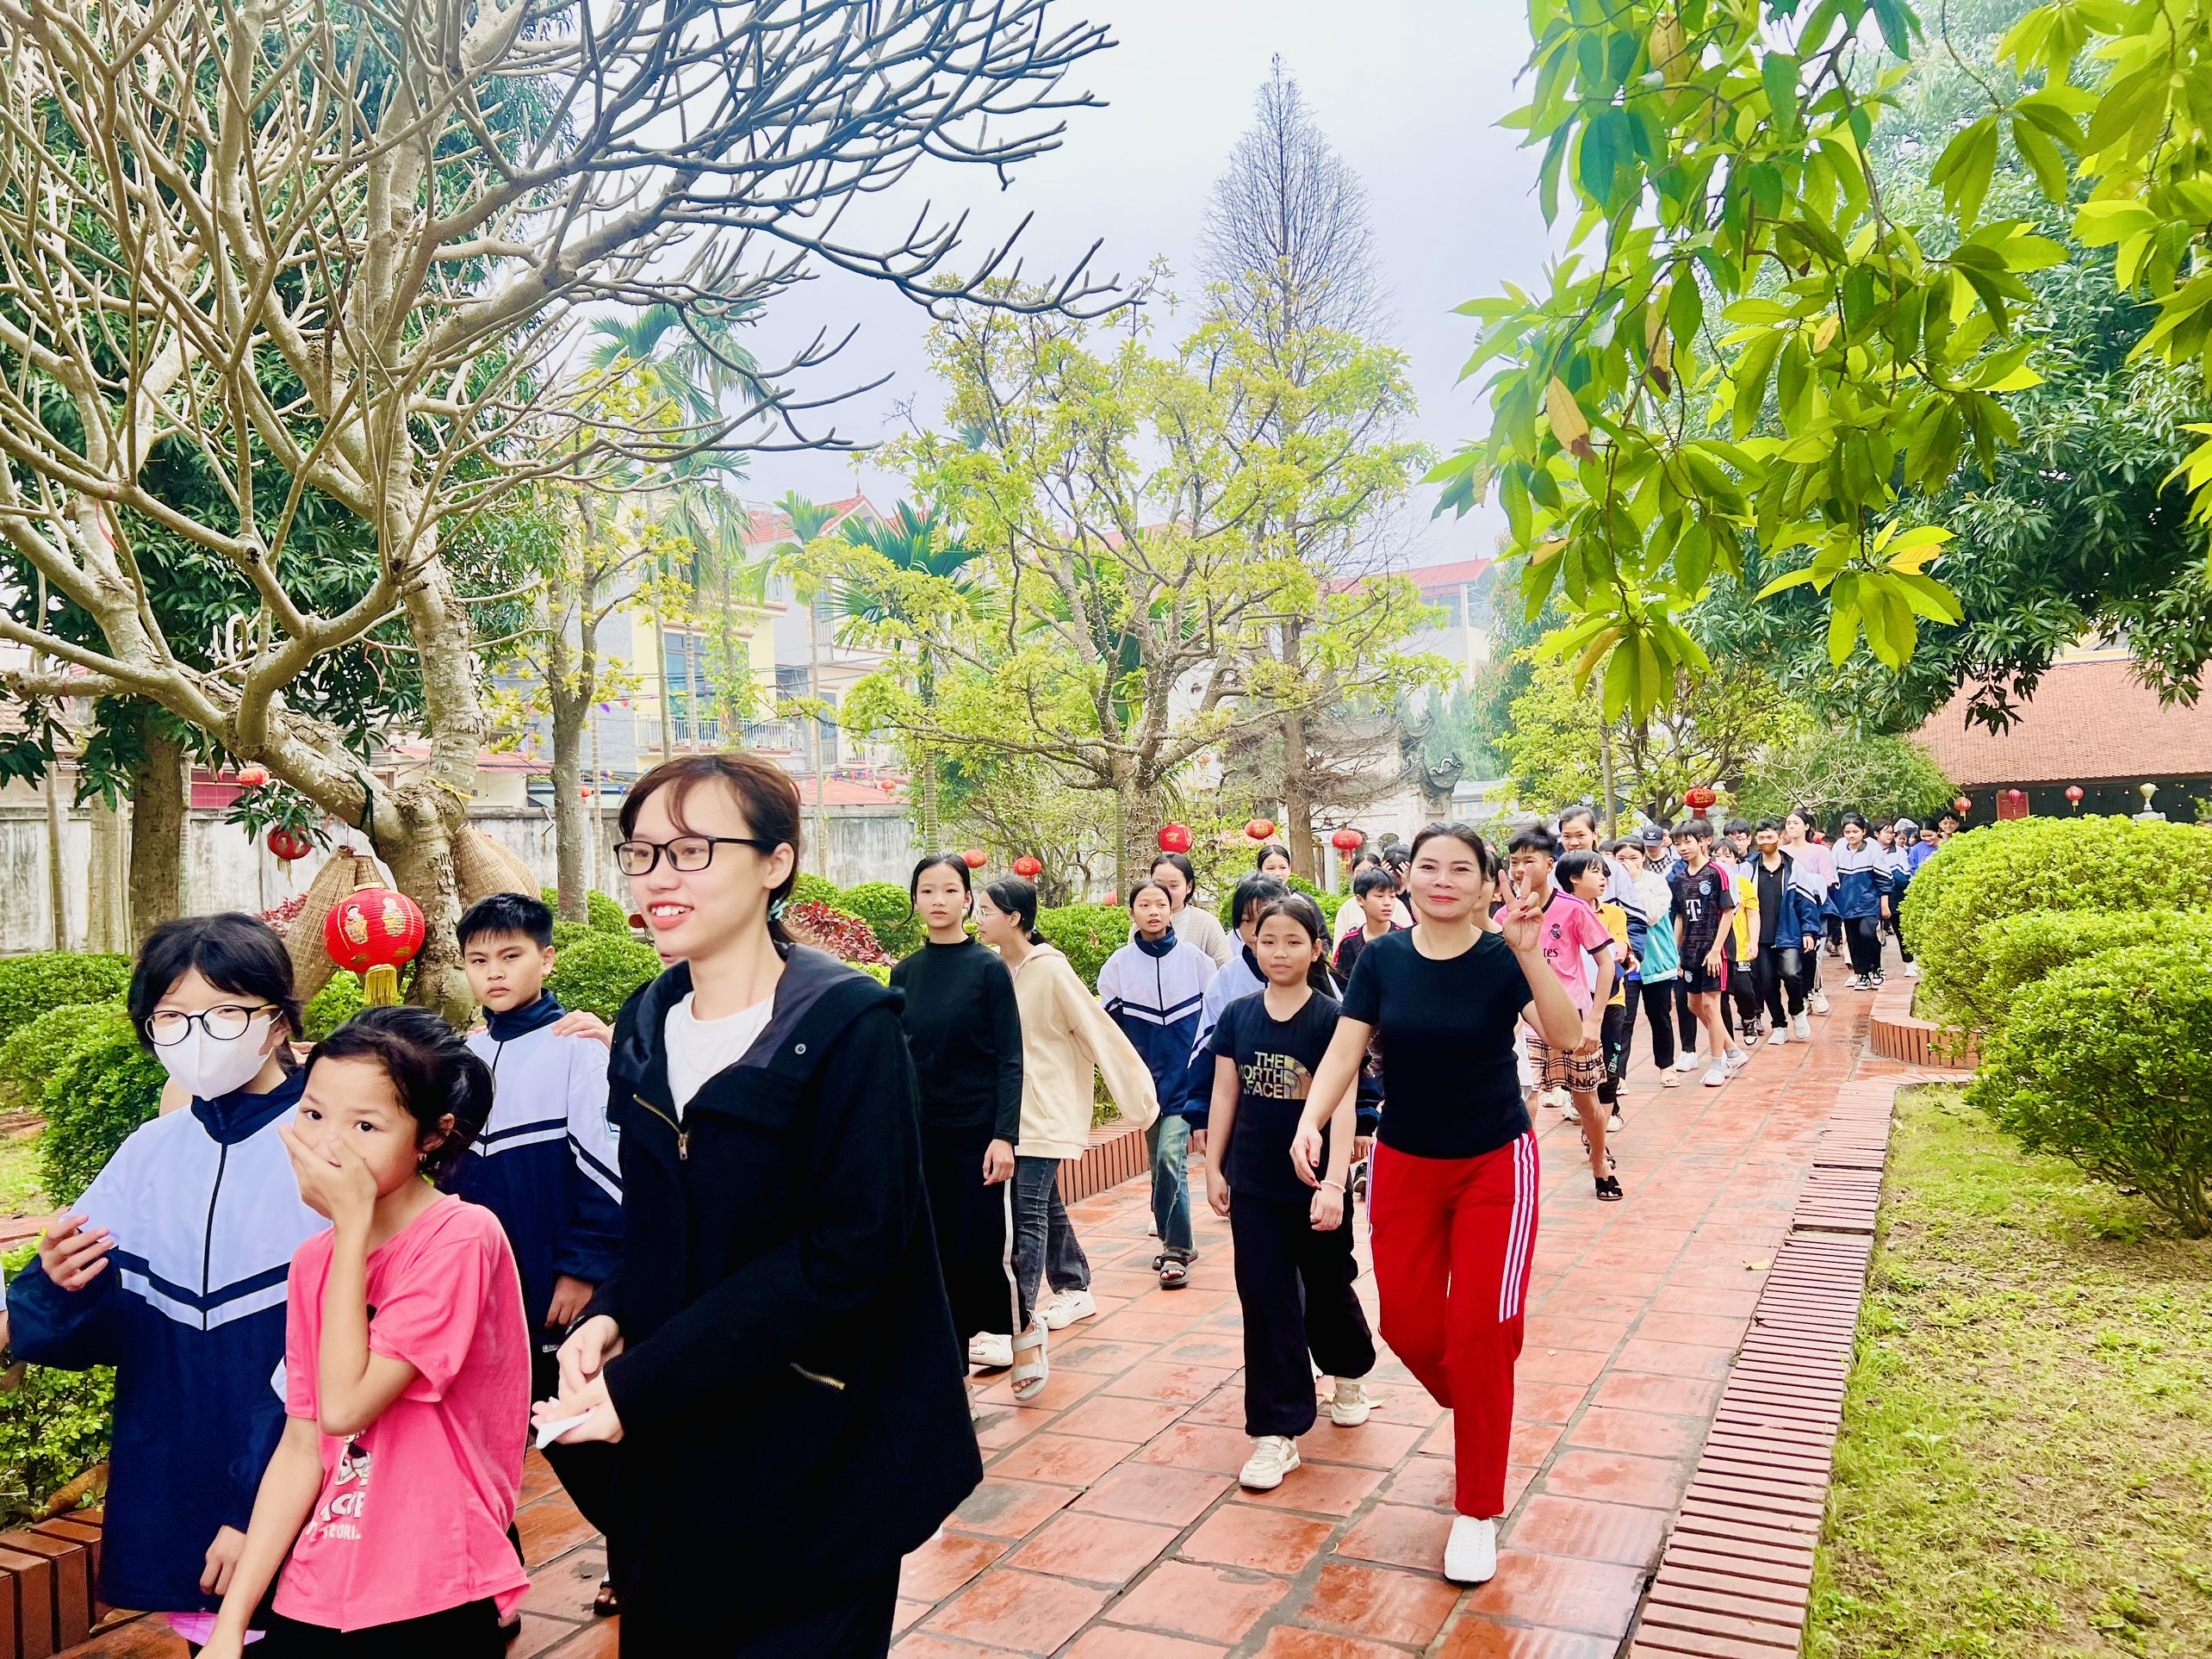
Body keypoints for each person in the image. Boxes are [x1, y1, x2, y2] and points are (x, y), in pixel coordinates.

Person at [535, 752, 979, 1656]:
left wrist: (643, 1383)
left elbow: (851, 1251)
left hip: (819, 1454)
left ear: (777, 863)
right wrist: (614, 1312)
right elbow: (659, 1227)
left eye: (692, 850)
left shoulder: (848, 1029)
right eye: (642, 852)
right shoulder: (647, 1024)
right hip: (678, 1460)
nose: (659, 877)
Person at [11, 915, 320, 1645]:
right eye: (172, 1017)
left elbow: (348, 1348)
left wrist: (254, 1505)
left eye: (224, 1012)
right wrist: (63, 1281)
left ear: (277, 1022)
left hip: (301, 1461)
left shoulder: (326, 1144)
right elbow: (81, 1316)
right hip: (178, 1466)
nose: (196, 1036)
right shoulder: (151, 1149)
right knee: (207, 1633)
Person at [1289, 823, 1583, 1586]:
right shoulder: (1382, 959)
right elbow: (1346, 1048)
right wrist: (1311, 1118)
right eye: (1428, 867)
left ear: (1489, 884)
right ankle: (1482, 1401)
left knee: (1479, 1332)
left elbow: (1569, 1036)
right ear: (1406, 879)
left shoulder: (1503, 956)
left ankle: (1477, 1509)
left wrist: (1528, 952)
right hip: (1405, 1164)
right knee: (1410, 1326)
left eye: (1461, 869)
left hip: (1495, 1164)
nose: (1442, 879)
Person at [201, 1008, 525, 1659]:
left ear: (432, 1137)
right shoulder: (313, 1262)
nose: (328, 1146)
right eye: (313, 1113)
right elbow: (303, 1443)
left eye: (366, 1126)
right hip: (323, 1575)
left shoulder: (461, 1238)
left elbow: (348, 1406)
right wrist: (230, 1627)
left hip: (436, 1580)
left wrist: (350, 1230)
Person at [1205, 894, 1376, 1492]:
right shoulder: (1238, 1015)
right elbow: (1224, 1093)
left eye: (1293, 941)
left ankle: (1349, 1372)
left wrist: (1334, 1183)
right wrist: (1214, 1168)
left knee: (1327, 1288)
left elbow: (1345, 1106)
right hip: (1254, 1182)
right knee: (1265, 1300)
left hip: (1315, 1186)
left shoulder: (1334, 1019)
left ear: (1317, 949)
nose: (1278, 952)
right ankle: (1276, 1432)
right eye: (1267, 940)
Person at [975, 874, 1159, 1401]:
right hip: (1010, 1114)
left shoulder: (1051, 971)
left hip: (1046, 1111)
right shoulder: (992, 970)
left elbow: (1099, 1031)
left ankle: (1017, 1322)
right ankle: (1075, 1285)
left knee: (1025, 1212)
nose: (977, 919)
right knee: (1043, 1205)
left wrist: (1138, 1099)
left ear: (1014, 918)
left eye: (986, 910)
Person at [890, 854, 1024, 1369]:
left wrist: (1004, 1135)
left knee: (983, 1241)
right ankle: (953, 1351)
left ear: (967, 899)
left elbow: (1010, 1058)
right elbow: (898, 1058)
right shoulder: (905, 973)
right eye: (927, 891)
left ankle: (1007, 1334)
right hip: (926, 1132)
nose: (938, 901)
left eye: (950, 890)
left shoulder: (988, 969)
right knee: (937, 1243)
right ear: (915, 899)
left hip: (979, 1133)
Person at [1099, 879, 1217, 1289]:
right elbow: (1109, 1031)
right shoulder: (1117, 967)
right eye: (1144, 904)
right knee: (1159, 1164)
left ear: (1172, 910)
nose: (1153, 911)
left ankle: (1176, 1249)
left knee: (1170, 1156)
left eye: (1161, 904)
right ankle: (1175, 1239)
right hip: (1145, 1086)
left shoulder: (1197, 962)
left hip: (1187, 1081)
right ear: (1131, 912)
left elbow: (1213, 1025)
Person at [1507, 830, 1620, 1202]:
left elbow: (1606, 964)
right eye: (1514, 861)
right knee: (1526, 1100)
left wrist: (1594, 1020)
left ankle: (1599, 1162)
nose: (1520, 869)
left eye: (1529, 861)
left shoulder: (1573, 909)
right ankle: (1522, 1175)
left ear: (1549, 865)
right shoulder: (1505, 914)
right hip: (1526, 1024)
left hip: (1573, 1022)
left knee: (1587, 1102)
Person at [1569, 852, 1634, 1133]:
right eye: (1594, 872)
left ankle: (1601, 1129)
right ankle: (1588, 1117)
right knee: (1581, 1067)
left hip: (1611, 999)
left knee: (1610, 1063)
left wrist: (1623, 952)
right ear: (1574, 878)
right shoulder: (1562, 913)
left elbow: (1620, 947)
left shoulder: (1614, 913)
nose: (1603, 879)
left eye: (1603, 873)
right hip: (1574, 1002)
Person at [1670, 820, 1737, 1086]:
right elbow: (1680, 917)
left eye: (1687, 842)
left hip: (1714, 952)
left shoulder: (1716, 872)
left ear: (1702, 842)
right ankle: (1733, 1051)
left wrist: (1716, 950)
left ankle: (1718, 1064)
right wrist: (1674, 952)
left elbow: (1728, 913)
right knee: (1693, 1005)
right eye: (1677, 844)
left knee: (1711, 1005)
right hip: (1690, 952)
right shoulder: (1679, 879)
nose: (1683, 848)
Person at [1744, 822, 1818, 1044]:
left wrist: (1809, 931)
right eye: (1761, 838)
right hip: (1759, 936)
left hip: (1789, 932)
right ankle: (1779, 1025)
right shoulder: (1748, 868)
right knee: (1766, 983)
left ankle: (1797, 1010)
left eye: (1770, 837)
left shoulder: (1793, 867)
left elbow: (1806, 902)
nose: (1766, 842)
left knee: (1792, 974)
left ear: (1779, 837)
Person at [1618, 840, 1681, 1088]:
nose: (1628, 863)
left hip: (1657, 962)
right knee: (1623, 1020)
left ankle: (1667, 1066)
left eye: (1633, 857)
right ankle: (1618, 1076)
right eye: (1621, 858)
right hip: (1626, 963)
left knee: (1660, 1017)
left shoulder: (1656, 882)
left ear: (1643, 857)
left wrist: (1636, 882)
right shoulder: (1609, 884)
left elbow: (1653, 916)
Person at [1781, 809, 1836, 1016]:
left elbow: (1828, 880)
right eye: (1788, 823)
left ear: (1806, 826)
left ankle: (1816, 990)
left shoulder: (1820, 852)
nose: (1791, 826)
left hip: (1816, 908)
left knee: (1814, 953)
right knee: (1796, 955)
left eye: (1796, 822)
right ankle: (1803, 996)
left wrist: (1806, 885)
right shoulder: (1782, 852)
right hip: (1789, 910)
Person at [1832, 812, 1892, 990]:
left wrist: (1884, 903)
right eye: (1847, 832)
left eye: (1855, 831)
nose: (1851, 835)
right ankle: (1862, 975)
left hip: (1868, 903)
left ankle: (1876, 968)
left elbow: (1884, 878)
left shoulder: (1873, 849)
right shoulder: (1838, 850)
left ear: (1863, 832)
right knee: (1853, 940)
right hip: (1847, 905)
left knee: (1867, 934)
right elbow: (1833, 877)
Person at [1152, 850, 1234, 967]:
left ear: (1189, 886)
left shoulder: (1207, 924)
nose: (1165, 891)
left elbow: (1224, 969)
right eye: (1159, 884)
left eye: (1174, 886)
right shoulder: (1142, 922)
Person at [1333, 863, 1405, 983]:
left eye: (1392, 896)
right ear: (1360, 900)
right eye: (1380, 896)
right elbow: (1340, 984)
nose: (1387, 902)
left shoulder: (1404, 939)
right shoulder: (1349, 942)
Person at [1886, 819, 1921, 978]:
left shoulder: (1900, 852)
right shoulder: (1871, 851)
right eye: (1887, 832)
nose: (1890, 836)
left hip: (1895, 898)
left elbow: (1904, 877)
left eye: (1891, 833)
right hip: (1873, 898)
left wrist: (1891, 874)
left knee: (1900, 931)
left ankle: (1909, 963)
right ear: (1876, 834)